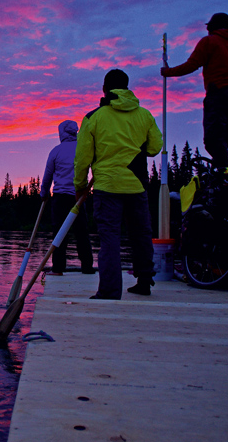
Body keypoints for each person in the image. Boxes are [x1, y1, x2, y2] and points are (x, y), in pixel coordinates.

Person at [74, 69, 163, 298]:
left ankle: (110, 290)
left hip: (107, 187)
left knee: (110, 238)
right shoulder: (144, 115)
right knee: (141, 234)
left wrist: (80, 185)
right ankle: (144, 282)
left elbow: (83, 157)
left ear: (105, 89)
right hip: (137, 185)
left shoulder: (94, 117)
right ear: (127, 87)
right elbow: (154, 148)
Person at [161, 12, 228, 174]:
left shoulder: (209, 42)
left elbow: (192, 64)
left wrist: (168, 72)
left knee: (214, 135)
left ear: (213, 25)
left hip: (218, 95)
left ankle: (222, 171)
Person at [41, 120, 95, 275]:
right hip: (79, 197)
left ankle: (58, 269)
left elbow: (47, 177)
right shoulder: (83, 149)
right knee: (82, 233)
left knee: (59, 233)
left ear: (61, 133)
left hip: (60, 198)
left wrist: (44, 194)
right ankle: (87, 267)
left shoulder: (56, 151)